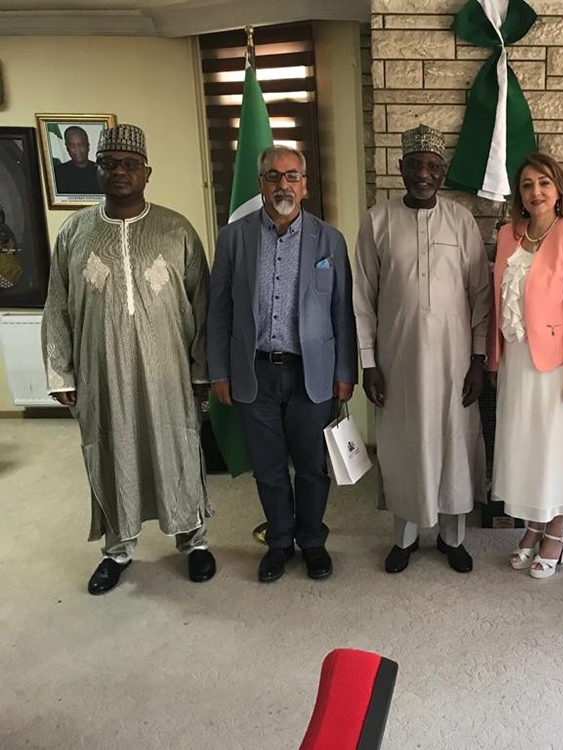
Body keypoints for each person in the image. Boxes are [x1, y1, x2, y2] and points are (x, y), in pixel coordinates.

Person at [41, 123, 216, 594]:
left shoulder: (177, 229)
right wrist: (60, 372)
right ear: (97, 170)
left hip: (169, 372)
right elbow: (56, 306)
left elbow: (203, 304)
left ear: (147, 173)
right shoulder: (74, 232)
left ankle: (194, 540)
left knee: (178, 450)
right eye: (110, 164)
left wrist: (202, 369)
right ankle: (117, 550)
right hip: (102, 373)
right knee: (111, 451)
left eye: (130, 164)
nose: (119, 171)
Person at [208, 145, 357, 583]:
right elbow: (218, 310)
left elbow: (342, 311)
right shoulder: (233, 238)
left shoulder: (329, 240)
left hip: (313, 372)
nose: (283, 185)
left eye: (292, 176)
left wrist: (345, 372)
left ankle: (312, 541)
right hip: (255, 372)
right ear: (261, 184)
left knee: (312, 467)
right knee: (269, 468)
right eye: (273, 176)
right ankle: (278, 542)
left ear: (305, 186)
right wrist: (220, 371)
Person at [354, 124, 490, 574]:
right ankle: (405, 538)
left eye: (432, 166)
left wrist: (477, 360)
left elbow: (481, 295)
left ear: (442, 171)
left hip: (454, 361)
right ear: (400, 168)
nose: (423, 174)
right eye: (414, 165)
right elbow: (362, 297)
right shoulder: (377, 221)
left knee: (454, 444)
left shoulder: (461, 221)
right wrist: (369, 363)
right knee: (404, 445)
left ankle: (453, 538)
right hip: (398, 361)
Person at [488, 152, 563, 579]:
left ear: (558, 190)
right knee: (527, 447)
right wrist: (494, 359)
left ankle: (556, 530)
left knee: (556, 448)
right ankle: (534, 524)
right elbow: (497, 301)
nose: (535, 191)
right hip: (518, 361)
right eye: (526, 185)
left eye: (543, 183)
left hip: (558, 364)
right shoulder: (508, 235)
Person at [54, 126, 100, 195]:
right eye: (72, 145)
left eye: (80, 144)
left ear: (88, 146)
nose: (77, 149)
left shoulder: (101, 172)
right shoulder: (57, 173)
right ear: (67, 148)